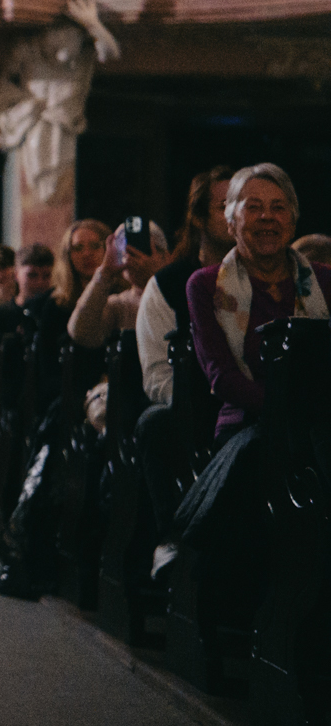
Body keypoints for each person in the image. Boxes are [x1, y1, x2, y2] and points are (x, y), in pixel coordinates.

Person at [188, 163, 331, 447]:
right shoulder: (205, 286)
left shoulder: (324, 280)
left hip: (322, 422)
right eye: (253, 207)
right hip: (247, 426)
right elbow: (223, 377)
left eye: (278, 207)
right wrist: (291, 412)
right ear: (231, 223)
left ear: (292, 222)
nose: (267, 217)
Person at [135, 166, 234, 559]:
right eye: (224, 206)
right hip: (198, 408)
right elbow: (157, 375)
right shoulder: (170, 283)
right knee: (155, 424)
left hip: (257, 403)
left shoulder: (273, 275)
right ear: (199, 217)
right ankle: (174, 540)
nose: (236, 215)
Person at [69, 220, 169, 349]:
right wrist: (105, 272)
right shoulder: (120, 305)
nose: (130, 256)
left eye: (141, 248)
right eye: (124, 248)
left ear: (165, 256)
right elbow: (80, 333)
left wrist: (156, 277)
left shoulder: (178, 293)